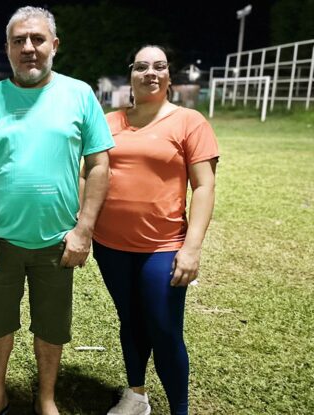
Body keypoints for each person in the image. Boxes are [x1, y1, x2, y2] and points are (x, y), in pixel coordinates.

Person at [0, 6, 114, 415]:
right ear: (8, 48)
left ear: (54, 45)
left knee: (51, 327)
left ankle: (45, 397)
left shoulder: (79, 94)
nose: (29, 48)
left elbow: (100, 166)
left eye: (37, 39)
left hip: (57, 241)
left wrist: (83, 231)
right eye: (19, 41)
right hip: (1, 240)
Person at [93, 45, 218, 415]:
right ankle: (136, 396)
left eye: (159, 67)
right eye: (142, 66)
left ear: (169, 76)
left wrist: (191, 248)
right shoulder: (109, 121)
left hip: (163, 245)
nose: (151, 73)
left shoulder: (189, 121)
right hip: (110, 244)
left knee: (163, 329)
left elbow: (205, 186)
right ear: (130, 74)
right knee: (129, 321)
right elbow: (89, 173)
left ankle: (180, 409)